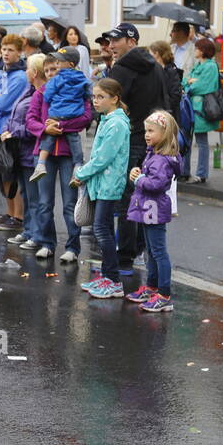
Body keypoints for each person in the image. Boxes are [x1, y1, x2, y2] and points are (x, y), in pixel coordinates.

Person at [107, 22, 168, 274]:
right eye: (110, 41)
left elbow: (111, 104)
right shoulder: (155, 65)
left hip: (132, 137)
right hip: (155, 136)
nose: (111, 46)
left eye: (116, 41)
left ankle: (124, 258)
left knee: (126, 199)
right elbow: (167, 102)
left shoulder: (121, 68)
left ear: (131, 41)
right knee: (144, 194)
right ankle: (143, 250)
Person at [74, 78, 131, 298]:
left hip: (109, 183)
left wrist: (81, 173)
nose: (95, 101)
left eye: (101, 97)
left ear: (115, 99)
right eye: (94, 96)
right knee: (104, 230)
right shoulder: (107, 119)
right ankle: (107, 276)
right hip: (101, 183)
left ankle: (114, 281)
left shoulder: (116, 123)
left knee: (102, 231)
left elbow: (102, 158)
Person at [125, 109, 181, 312]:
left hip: (154, 208)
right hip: (149, 207)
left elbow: (156, 183)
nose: (146, 134)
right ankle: (152, 287)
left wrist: (139, 179)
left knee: (158, 251)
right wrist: (137, 172)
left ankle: (164, 294)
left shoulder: (162, 159)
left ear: (164, 134)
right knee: (151, 250)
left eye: (151, 131)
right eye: (146, 130)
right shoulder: (154, 154)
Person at [2, 52, 54, 258]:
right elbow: (16, 114)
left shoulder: (40, 94)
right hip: (20, 150)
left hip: (30, 149)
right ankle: (28, 231)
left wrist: (14, 132)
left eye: (27, 69)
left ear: (34, 72)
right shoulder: (29, 90)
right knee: (26, 193)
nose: (25, 72)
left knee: (35, 197)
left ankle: (37, 234)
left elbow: (36, 125)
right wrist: (8, 129)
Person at [0, 35, 29, 231]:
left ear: (19, 52)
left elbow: (2, 104)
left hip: (8, 129)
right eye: (4, 49)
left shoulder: (19, 77)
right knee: (2, 174)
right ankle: (9, 213)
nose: (6, 53)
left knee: (11, 173)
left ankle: (17, 217)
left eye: (10, 50)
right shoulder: (3, 73)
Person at [30, 46, 89, 182]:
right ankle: (77, 165)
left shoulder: (56, 87)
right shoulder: (39, 93)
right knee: (44, 202)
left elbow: (86, 118)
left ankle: (75, 166)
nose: (51, 73)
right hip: (48, 151)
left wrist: (59, 124)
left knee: (69, 202)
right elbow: (30, 121)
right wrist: (45, 129)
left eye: (55, 68)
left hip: (66, 152)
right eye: (46, 71)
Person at [183, 38, 221, 183]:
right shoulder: (199, 65)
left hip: (201, 110)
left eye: (198, 48)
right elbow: (185, 82)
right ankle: (184, 171)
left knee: (201, 141)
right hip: (192, 107)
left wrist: (191, 85)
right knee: (187, 140)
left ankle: (201, 174)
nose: (195, 50)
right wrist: (190, 83)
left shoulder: (210, 66)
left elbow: (206, 86)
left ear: (204, 50)